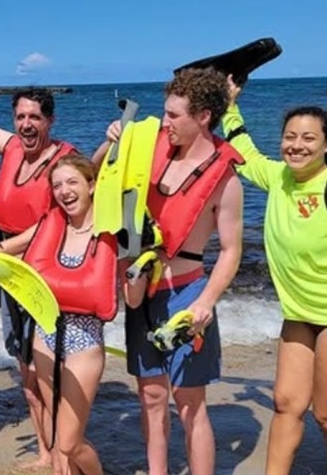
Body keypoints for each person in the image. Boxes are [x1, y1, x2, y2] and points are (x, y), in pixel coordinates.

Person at [100, 67, 244, 474]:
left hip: (186, 295)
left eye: (174, 115)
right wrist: (111, 140)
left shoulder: (225, 177)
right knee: (150, 397)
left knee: (189, 404)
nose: (165, 123)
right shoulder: (150, 148)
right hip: (142, 291)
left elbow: (232, 250)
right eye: (165, 113)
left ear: (202, 117)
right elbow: (99, 180)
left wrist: (206, 302)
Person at [0, 32, 77, 472]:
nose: (26, 124)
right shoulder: (8, 149)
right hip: (8, 274)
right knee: (26, 373)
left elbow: (54, 223)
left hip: (45, 276)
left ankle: (64, 455)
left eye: (35, 117)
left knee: (50, 374)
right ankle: (47, 452)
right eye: (20, 116)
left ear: (50, 121)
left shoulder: (64, 162)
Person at [0, 154, 136, 474]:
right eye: (57, 185)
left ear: (91, 185)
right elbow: (2, 250)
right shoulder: (50, 224)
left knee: (70, 442)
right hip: (45, 336)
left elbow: (133, 291)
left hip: (84, 341)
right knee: (56, 434)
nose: (64, 191)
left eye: (72, 182)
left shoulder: (112, 229)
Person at [223, 78, 327, 475]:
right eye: (289, 137)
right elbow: (242, 150)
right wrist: (230, 106)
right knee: (286, 402)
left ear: (325, 145)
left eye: (308, 139)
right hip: (298, 312)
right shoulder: (278, 177)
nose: (296, 145)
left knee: (325, 415)